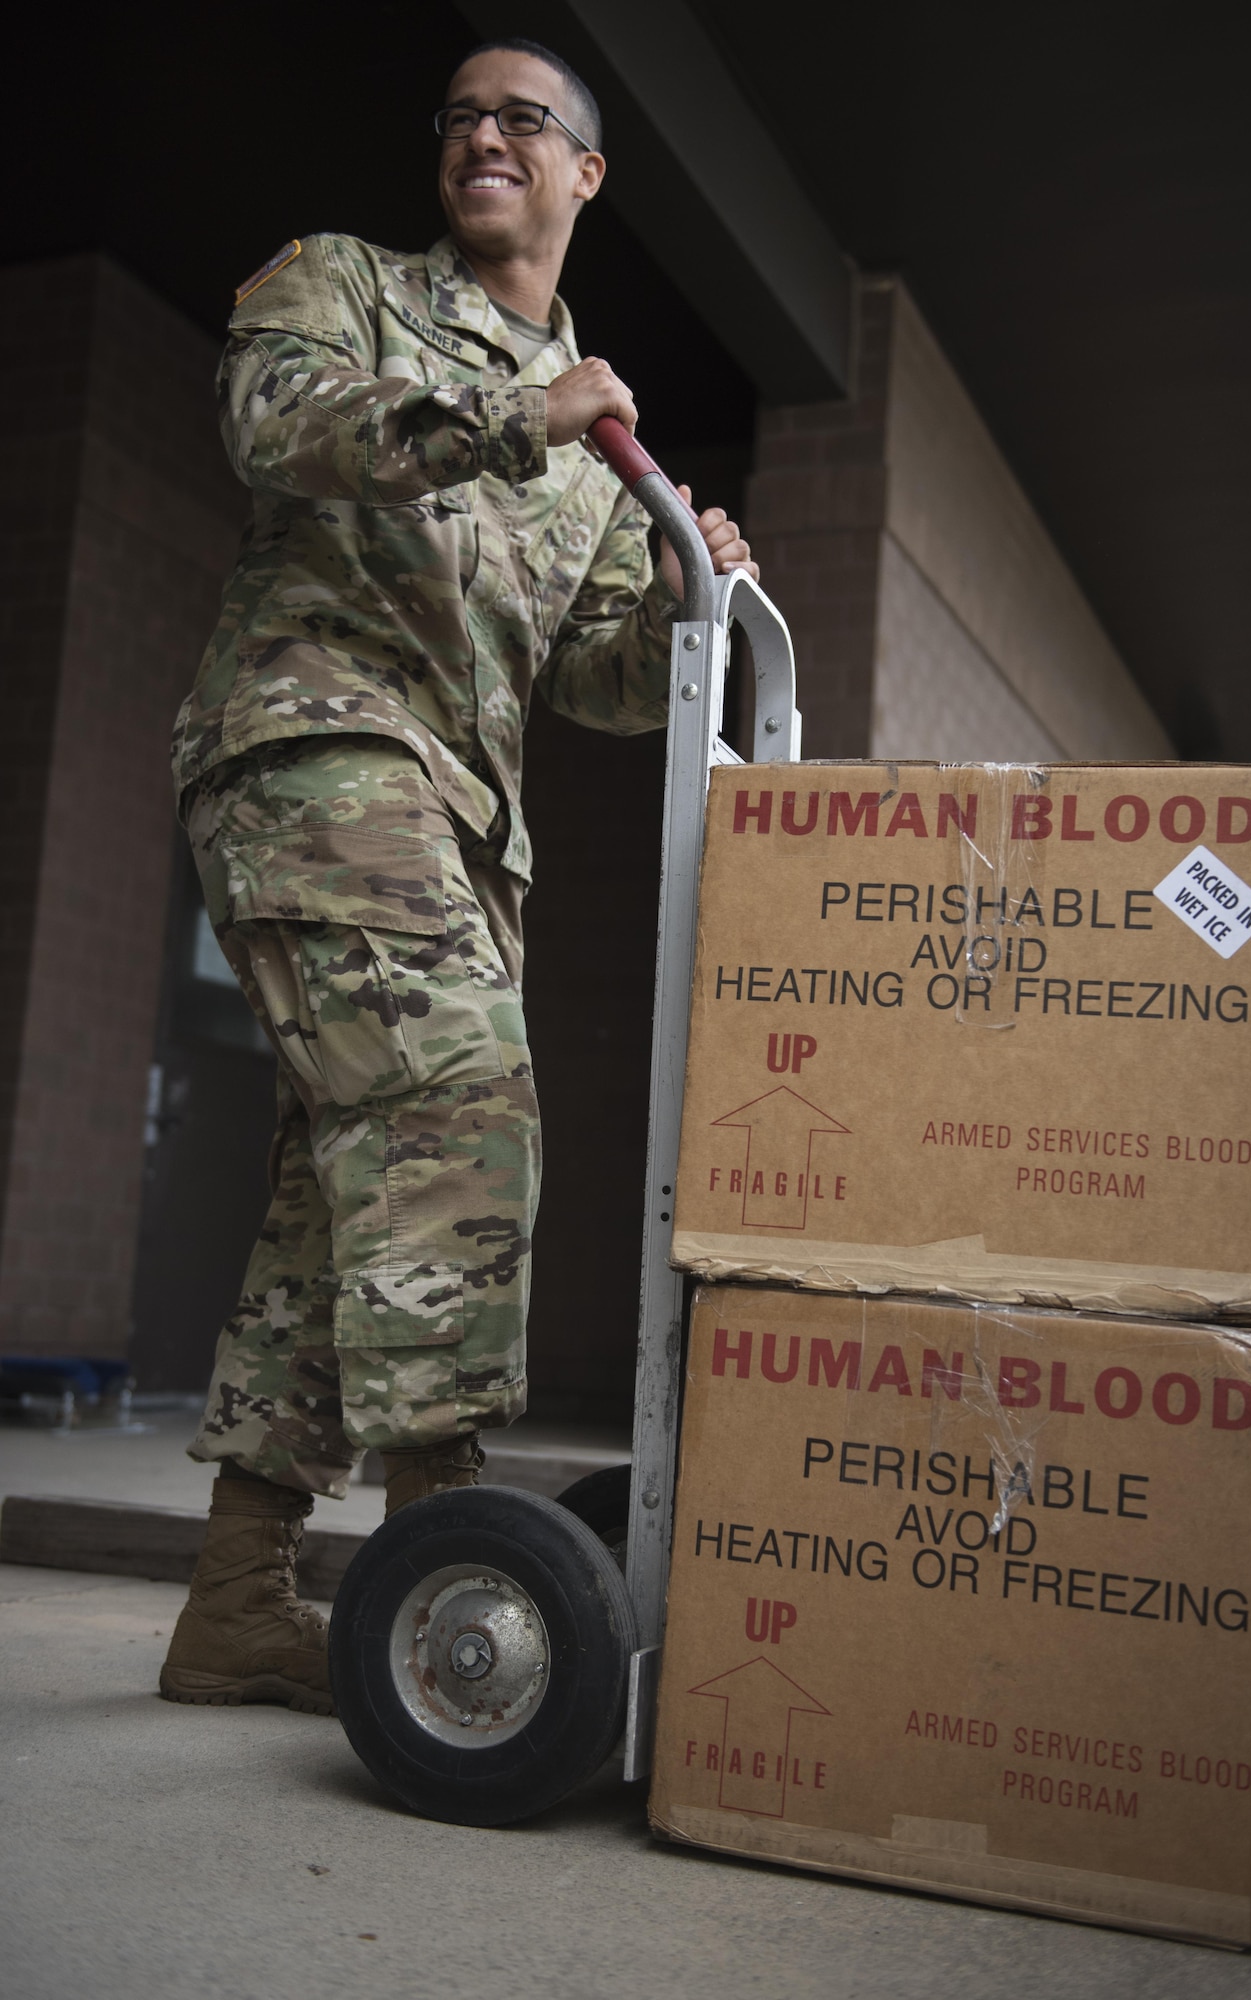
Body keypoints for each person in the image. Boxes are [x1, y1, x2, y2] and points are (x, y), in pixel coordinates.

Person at [159, 37, 756, 1714]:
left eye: (526, 120)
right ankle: (458, 1562)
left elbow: (583, 679)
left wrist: (680, 606)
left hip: (458, 824)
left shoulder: (589, 450)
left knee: (332, 1196)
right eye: (462, 115)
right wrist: (510, 410)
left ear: (584, 178)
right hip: (316, 752)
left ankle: (234, 1599)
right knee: (457, 1099)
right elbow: (276, 426)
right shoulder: (339, 286)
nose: (485, 135)